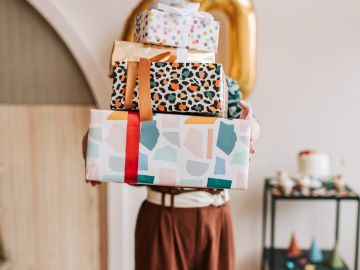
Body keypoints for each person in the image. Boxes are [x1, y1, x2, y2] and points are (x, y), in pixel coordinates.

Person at [83, 78, 259, 270]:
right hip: (163, 216)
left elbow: (250, 126)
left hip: (217, 215)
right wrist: (94, 150)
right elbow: (115, 130)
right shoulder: (141, 81)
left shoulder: (222, 82)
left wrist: (250, 129)